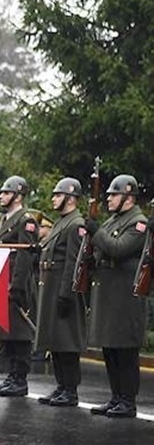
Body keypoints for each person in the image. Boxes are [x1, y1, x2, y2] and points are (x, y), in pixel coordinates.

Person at [87, 174, 148, 418]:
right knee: (110, 349)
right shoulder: (114, 220)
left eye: (114, 195)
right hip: (108, 294)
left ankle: (127, 400)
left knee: (125, 351)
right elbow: (102, 251)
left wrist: (96, 232)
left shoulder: (138, 224)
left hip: (125, 297)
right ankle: (116, 396)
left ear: (128, 197)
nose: (109, 199)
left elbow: (118, 249)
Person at [34, 178, 86, 406]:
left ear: (71, 198)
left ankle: (70, 389)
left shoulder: (75, 224)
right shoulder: (61, 222)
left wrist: (66, 292)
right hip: (51, 285)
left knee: (67, 341)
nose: (53, 198)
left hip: (63, 288)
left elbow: (73, 263)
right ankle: (61, 385)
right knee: (54, 339)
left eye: (58, 194)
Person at [0, 176, 39, 397]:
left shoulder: (26, 220)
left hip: (18, 282)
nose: (1, 196)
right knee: (8, 331)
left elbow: (24, 256)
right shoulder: (6, 219)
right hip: (4, 280)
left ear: (18, 196)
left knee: (20, 333)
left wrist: (17, 287)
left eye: (6, 193)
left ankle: (20, 379)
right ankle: (11, 376)